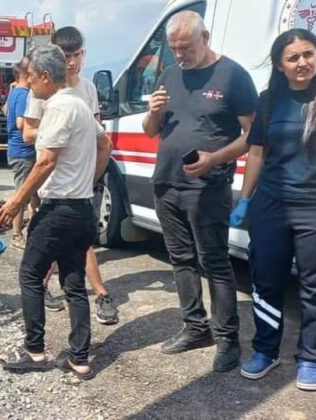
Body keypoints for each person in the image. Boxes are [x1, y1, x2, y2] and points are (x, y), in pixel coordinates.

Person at [142, 10, 258, 372]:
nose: (180, 55)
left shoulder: (233, 76)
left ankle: (227, 339)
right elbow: (149, 131)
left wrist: (214, 159)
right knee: (181, 260)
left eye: (186, 47)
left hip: (207, 187)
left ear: (205, 38)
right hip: (166, 183)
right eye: (174, 48)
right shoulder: (169, 74)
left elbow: (253, 137)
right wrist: (153, 112)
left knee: (215, 263)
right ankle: (195, 328)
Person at [0, 44, 99, 379]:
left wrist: (16, 202)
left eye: (30, 78)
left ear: (44, 76)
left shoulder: (57, 107)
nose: (27, 85)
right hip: (82, 207)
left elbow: (46, 161)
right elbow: (105, 144)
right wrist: (89, 180)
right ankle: (80, 358)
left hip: (58, 210)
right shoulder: (80, 105)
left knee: (30, 274)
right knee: (74, 283)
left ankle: (34, 350)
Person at [226, 29, 316, 391]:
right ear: (279, 65)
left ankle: (310, 357)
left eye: (308, 54)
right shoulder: (268, 100)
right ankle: (266, 350)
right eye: (293, 57)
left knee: (313, 287)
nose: (303, 62)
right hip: (271, 205)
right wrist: (245, 199)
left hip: (312, 208)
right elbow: (257, 153)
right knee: (266, 280)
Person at [23, 26, 116, 322]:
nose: (72, 62)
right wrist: (66, 129)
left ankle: (98, 295)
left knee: (74, 244)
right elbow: (27, 133)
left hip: (81, 180)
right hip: (51, 182)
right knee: (56, 246)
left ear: (83, 54)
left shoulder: (88, 89)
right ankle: (47, 291)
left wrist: (92, 176)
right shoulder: (42, 88)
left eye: (76, 55)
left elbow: (100, 136)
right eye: (66, 56)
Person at [6, 57, 40, 250]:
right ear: (26, 74)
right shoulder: (23, 94)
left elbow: (5, 111)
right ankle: (17, 235)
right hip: (22, 152)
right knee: (21, 194)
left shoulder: (14, 93)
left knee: (33, 195)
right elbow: (20, 124)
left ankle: (31, 231)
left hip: (22, 151)